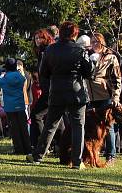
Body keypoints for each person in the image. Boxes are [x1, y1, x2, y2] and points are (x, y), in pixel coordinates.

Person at [29, 21, 94, 168]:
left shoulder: (50, 50)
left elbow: (43, 72)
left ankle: (38, 156)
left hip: (57, 92)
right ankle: (77, 161)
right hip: (76, 93)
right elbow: (88, 72)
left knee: (50, 125)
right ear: (75, 34)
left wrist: (49, 88)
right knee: (78, 126)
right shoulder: (79, 50)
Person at [89, 32, 122, 166]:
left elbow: (117, 78)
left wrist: (116, 96)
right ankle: (94, 153)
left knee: (109, 126)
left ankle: (111, 155)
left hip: (105, 96)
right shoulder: (88, 56)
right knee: (93, 126)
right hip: (90, 97)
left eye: (97, 41)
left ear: (103, 42)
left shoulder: (111, 57)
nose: (95, 44)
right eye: (93, 42)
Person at [0, 58, 31, 155]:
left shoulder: (4, 79)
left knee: (14, 129)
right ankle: (28, 149)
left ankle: (19, 149)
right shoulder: (20, 77)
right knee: (23, 128)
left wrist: (0, 71)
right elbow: (24, 79)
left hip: (10, 108)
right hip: (20, 106)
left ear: (6, 67)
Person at [29, 28, 55, 148]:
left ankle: (43, 145)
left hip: (51, 90)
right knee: (55, 119)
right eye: (36, 38)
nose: (38, 40)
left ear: (46, 38)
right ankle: (56, 144)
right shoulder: (41, 53)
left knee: (36, 114)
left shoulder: (48, 51)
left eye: (40, 38)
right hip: (47, 90)